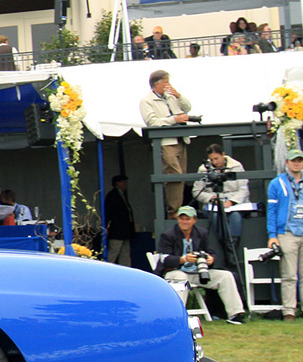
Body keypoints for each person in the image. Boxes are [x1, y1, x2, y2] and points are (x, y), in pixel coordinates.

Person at [155, 207, 246, 322]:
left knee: (225, 276)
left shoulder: (201, 233)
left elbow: (211, 251)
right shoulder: (168, 235)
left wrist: (211, 259)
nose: (184, 222)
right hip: (174, 271)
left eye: (187, 219)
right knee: (181, 277)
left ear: (194, 220)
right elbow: (164, 258)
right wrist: (183, 259)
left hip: (197, 272)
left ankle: (236, 314)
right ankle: (178, 317)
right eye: (181, 218)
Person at [266, 147, 303, 320]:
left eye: (299, 160)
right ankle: (289, 311)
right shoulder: (277, 183)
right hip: (288, 233)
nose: (297, 163)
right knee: (289, 274)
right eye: (293, 160)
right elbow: (272, 210)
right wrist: (272, 235)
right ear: (287, 163)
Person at [139, 69, 193, 215]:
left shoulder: (171, 97)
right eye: (166, 82)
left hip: (181, 139)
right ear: (157, 83)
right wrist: (174, 120)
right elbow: (152, 122)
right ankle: (173, 211)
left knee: (182, 175)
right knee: (174, 174)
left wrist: (178, 96)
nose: (169, 85)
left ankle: (180, 209)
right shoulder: (147, 101)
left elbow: (188, 107)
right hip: (166, 142)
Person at [194, 144, 248, 243]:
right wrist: (212, 198)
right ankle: (223, 243)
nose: (214, 162)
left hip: (234, 204)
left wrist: (232, 202)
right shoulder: (203, 169)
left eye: (216, 158)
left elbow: (244, 189)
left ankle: (232, 247)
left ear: (223, 155)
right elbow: (196, 191)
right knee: (215, 216)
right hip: (214, 204)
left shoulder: (236, 166)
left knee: (235, 216)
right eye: (211, 160)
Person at [104, 175, 136, 266]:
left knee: (125, 253)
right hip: (117, 230)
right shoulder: (112, 195)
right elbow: (108, 212)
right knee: (114, 252)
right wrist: (106, 226)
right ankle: (107, 270)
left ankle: (126, 271)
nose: (125, 184)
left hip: (124, 230)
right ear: (117, 183)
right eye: (123, 182)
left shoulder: (121, 195)